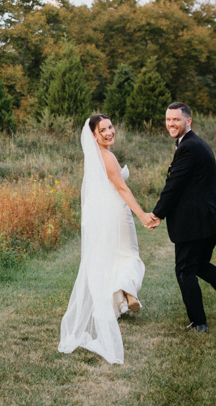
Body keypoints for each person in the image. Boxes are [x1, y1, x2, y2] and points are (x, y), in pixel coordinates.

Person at [59, 113, 155, 364]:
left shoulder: (92, 158)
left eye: (110, 127)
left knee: (110, 258)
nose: (110, 132)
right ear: (93, 135)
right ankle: (128, 289)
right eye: (103, 130)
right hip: (117, 211)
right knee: (130, 254)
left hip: (101, 215)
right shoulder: (108, 157)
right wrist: (143, 215)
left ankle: (120, 302)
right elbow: (122, 189)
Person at [150, 102, 216, 332]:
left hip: (197, 223)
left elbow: (173, 185)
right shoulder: (191, 144)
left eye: (176, 119)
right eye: (168, 119)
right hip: (209, 220)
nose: (171, 124)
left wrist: (157, 214)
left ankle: (199, 323)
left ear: (188, 121)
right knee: (198, 264)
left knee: (185, 270)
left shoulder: (190, 147)